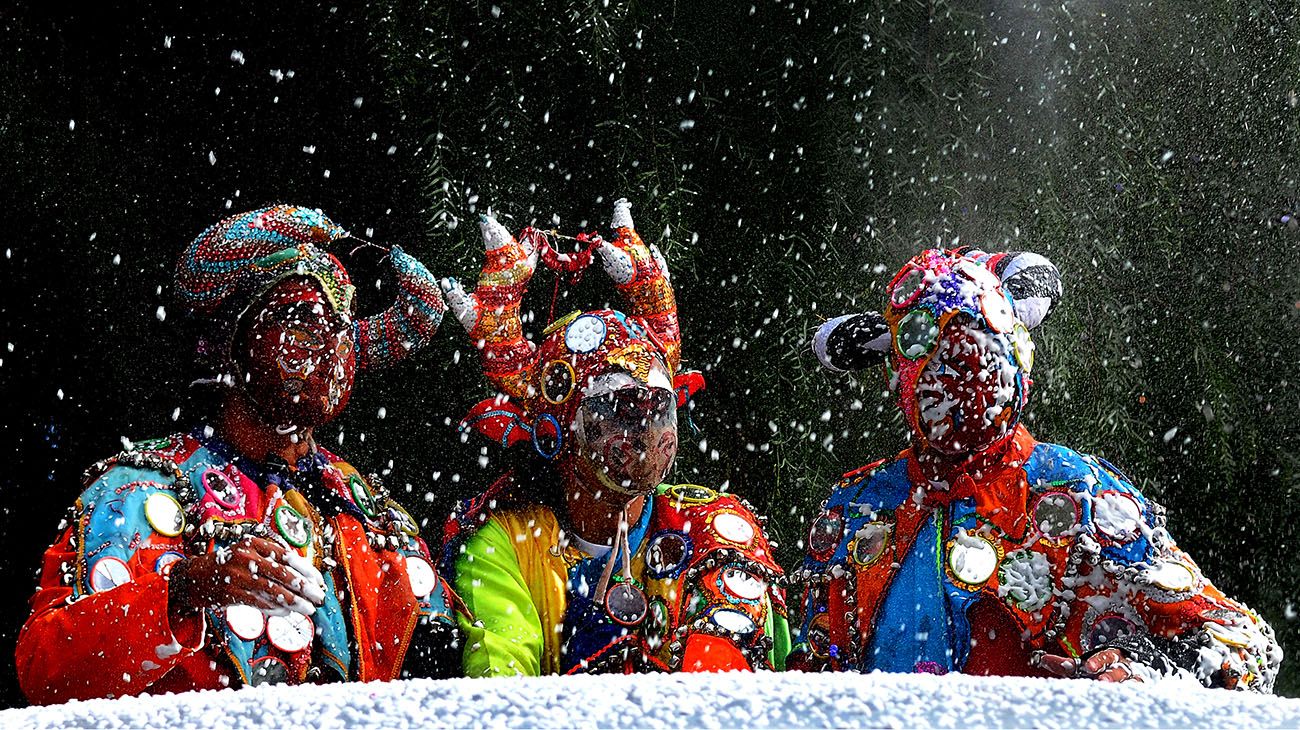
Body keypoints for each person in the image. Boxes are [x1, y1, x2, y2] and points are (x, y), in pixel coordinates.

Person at [16, 205, 462, 704]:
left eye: (341, 328)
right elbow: (47, 674)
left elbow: (447, 682)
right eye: (300, 322)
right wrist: (186, 589)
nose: (327, 347)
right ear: (231, 342)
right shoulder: (142, 490)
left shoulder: (372, 512)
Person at [788, 247, 1282, 691]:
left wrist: (1149, 671)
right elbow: (809, 679)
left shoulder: (1076, 492)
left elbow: (1240, 641)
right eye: (936, 360)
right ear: (899, 373)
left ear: (1017, 363)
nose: (961, 382)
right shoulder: (859, 503)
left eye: (980, 357)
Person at [439, 200, 790, 676]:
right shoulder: (503, 544)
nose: (643, 430)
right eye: (618, 409)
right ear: (556, 430)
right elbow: (502, 691)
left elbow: (730, 694)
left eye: (655, 406)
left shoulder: (713, 527)